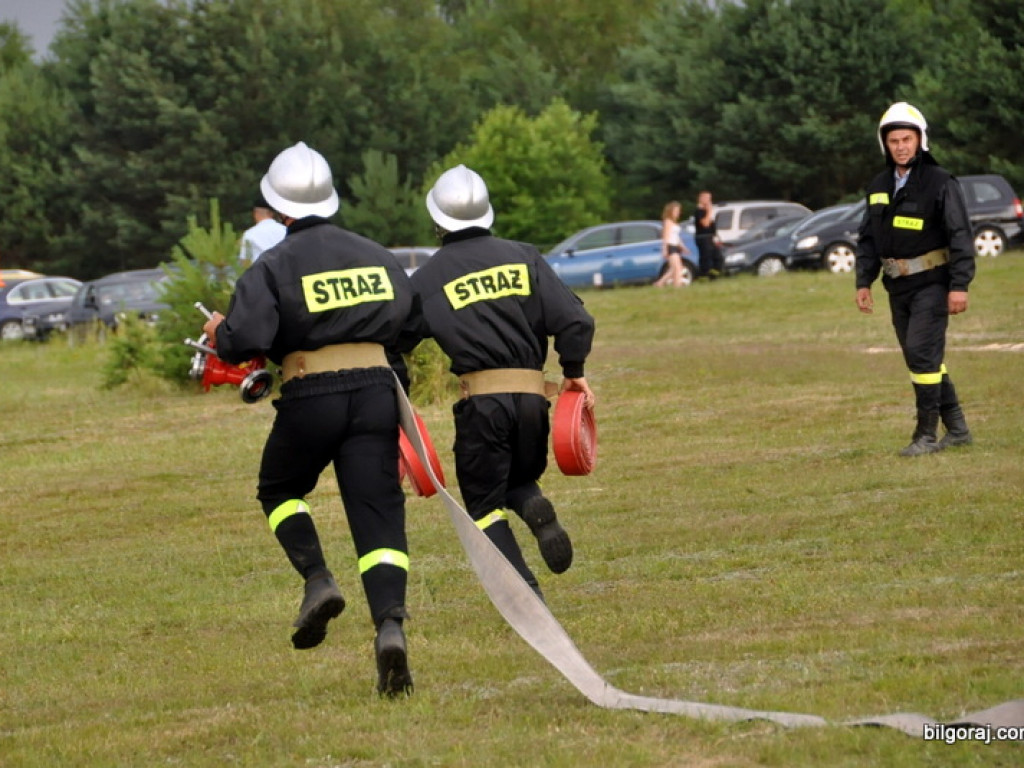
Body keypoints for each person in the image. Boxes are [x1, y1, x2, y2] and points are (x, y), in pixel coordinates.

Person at [202, 142, 416, 697]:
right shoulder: (377, 253)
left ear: (277, 207)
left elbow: (245, 337)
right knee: (379, 518)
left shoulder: (272, 264)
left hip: (311, 393)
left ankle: (318, 579)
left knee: (279, 490)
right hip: (375, 391)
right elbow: (407, 319)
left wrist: (218, 334)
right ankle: (390, 626)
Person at [399, 164, 596, 597]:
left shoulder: (429, 279)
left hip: (483, 406)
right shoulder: (525, 256)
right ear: (487, 212)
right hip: (532, 402)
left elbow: (397, 340)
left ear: (437, 221)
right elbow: (576, 319)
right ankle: (534, 506)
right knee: (518, 477)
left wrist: (393, 394)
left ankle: (525, 592)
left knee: (484, 502)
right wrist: (574, 372)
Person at [855, 102, 975, 456]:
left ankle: (925, 434)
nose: (901, 146)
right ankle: (957, 428)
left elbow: (960, 235)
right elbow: (867, 238)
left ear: (921, 139)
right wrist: (863, 281)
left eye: (907, 138)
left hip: (934, 284)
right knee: (922, 357)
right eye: (894, 140)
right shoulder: (878, 186)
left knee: (922, 354)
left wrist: (959, 286)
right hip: (897, 287)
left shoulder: (940, 181)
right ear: (885, 144)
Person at [238, 192, 287, 265]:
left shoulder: (249, 234)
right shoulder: (285, 230)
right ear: (271, 213)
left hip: (260, 273)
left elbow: (245, 261)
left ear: (255, 213)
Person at [653, 200, 692, 288]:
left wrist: (683, 247)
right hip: (670, 246)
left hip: (675, 246)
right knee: (677, 268)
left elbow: (677, 237)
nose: (678, 213)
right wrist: (665, 249)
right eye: (676, 211)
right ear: (670, 211)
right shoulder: (668, 222)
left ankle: (660, 283)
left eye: (678, 211)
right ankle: (677, 286)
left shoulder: (674, 223)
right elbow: (666, 237)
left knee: (674, 269)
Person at [694, 190, 723, 279]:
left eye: (709, 198)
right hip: (703, 237)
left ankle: (715, 275)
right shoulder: (699, 211)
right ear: (701, 199)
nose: (709, 201)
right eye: (706, 198)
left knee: (718, 257)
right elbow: (705, 224)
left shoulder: (707, 211)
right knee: (706, 258)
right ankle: (704, 276)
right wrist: (709, 211)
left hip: (711, 237)